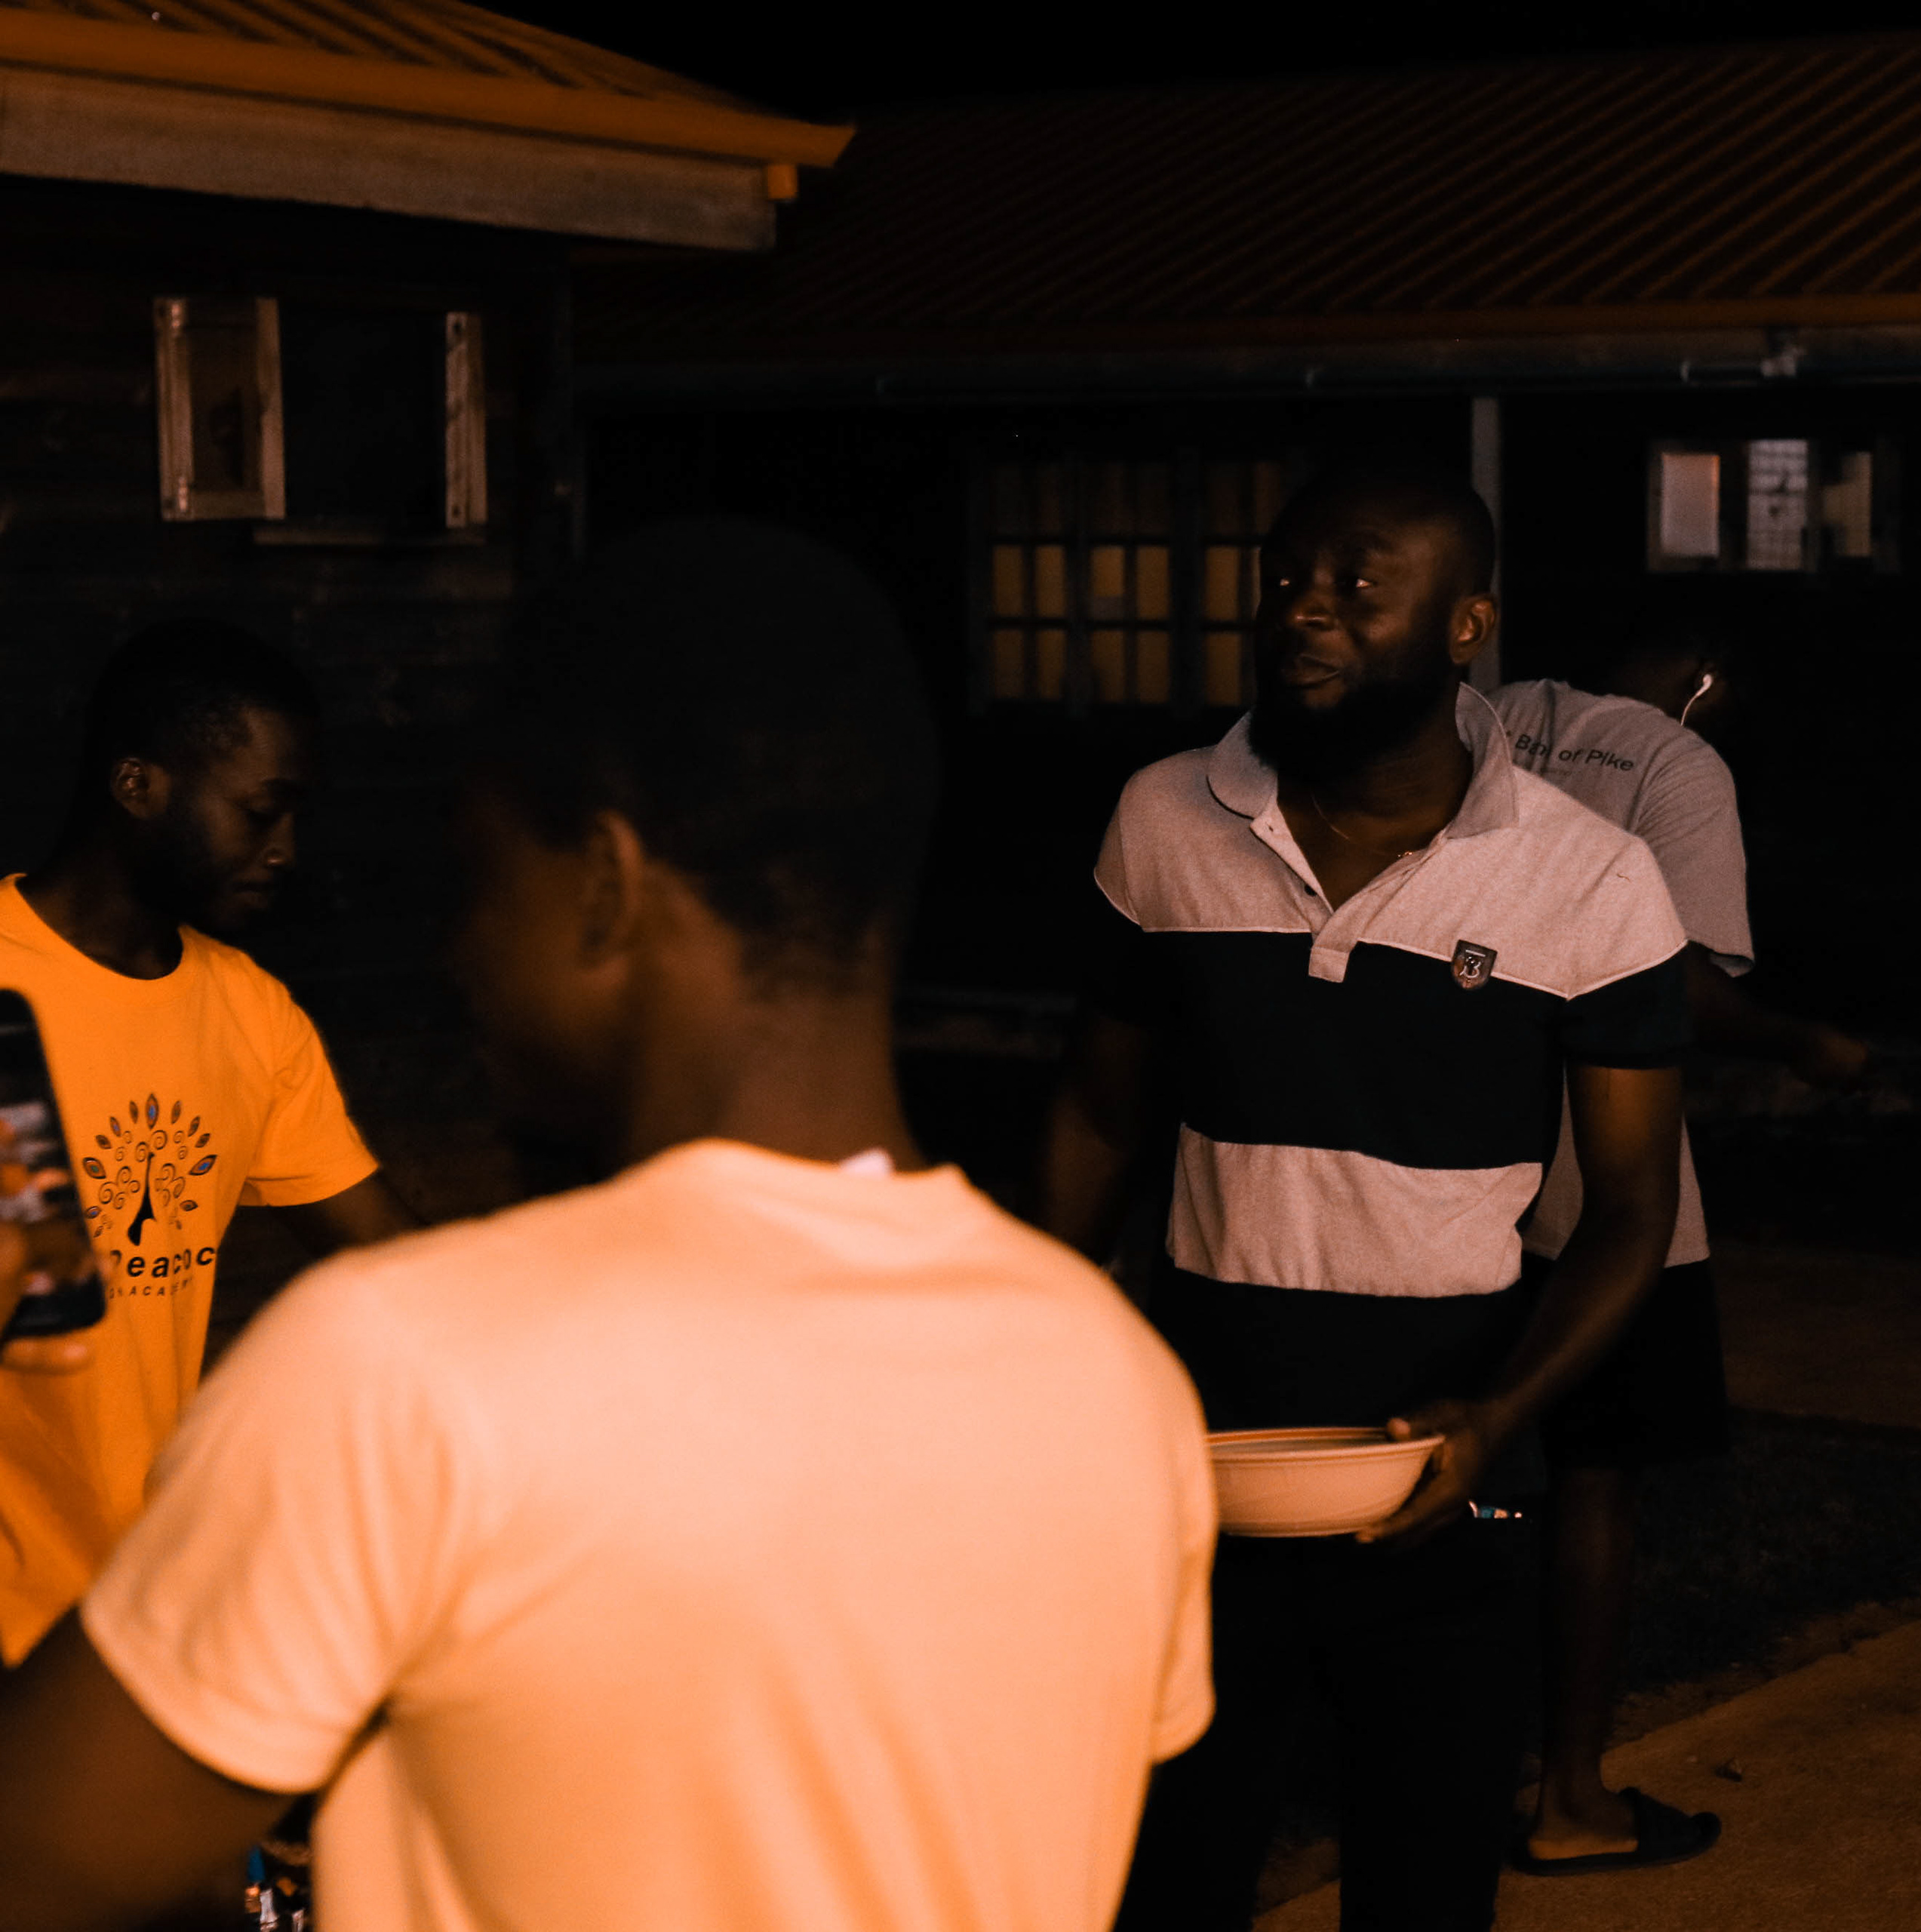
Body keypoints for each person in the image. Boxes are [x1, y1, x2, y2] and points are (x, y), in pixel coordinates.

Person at [0, 520, 1216, 1932]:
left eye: (479, 878)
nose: (457, 949)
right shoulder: (1118, 1382)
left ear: (603, 887)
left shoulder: (397, 1376)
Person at [1043, 458, 1688, 1932]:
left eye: (1354, 585)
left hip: (1448, 1463)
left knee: (1422, 1881)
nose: (1303, 611)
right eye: (1284, 579)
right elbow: (1096, 1112)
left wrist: (1498, 1415)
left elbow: (1631, 1212)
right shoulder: (1164, 818)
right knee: (1166, 1871)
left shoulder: (1591, 882)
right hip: (1200, 1452)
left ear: (1467, 624)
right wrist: (1048, 1344)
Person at [1492, 620, 1870, 1875]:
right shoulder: (1676, 765)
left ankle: (1450, 1760)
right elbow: (1675, 983)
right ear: (1705, 686)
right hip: (1589, 1168)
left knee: (1475, 1468)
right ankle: (1569, 1798)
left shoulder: (1486, 715)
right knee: (1594, 1476)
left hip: (1434, 1162)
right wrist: (1805, 1042)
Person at [0, 620, 419, 1666]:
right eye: (259, 812)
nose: (285, 850)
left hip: (145, 1617)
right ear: (137, 785)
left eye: (295, 817)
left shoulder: (251, 1016)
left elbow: (393, 1267)